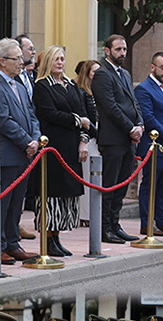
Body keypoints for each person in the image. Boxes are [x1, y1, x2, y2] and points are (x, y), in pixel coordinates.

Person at [0, 39, 40, 264]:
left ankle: (13, 243)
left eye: (21, 57)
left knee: (17, 202)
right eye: (16, 58)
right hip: (7, 153)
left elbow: (32, 114)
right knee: (3, 203)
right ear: (2, 61)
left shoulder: (19, 84)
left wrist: (35, 139)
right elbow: (3, 120)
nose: (21, 62)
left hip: (25, 153)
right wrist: (26, 141)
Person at [33, 46, 88, 257]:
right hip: (53, 146)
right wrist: (77, 121)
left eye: (62, 58)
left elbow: (84, 115)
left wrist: (83, 140)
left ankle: (57, 237)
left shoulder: (71, 84)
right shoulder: (42, 86)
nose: (60, 62)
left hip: (72, 147)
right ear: (48, 61)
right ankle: (48, 238)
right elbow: (49, 114)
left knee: (66, 194)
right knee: (51, 194)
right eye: (56, 59)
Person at [91, 34, 143, 243]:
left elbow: (133, 102)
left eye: (124, 49)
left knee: (121, 185)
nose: (122, 53)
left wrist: (139, 124)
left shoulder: (125, 74)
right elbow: (110, 107)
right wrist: (130, 128)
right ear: (107, 51)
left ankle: (115, 224)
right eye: (118, 49)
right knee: (110, 186)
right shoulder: (103, 75)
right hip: (113, 139)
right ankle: (104, 228)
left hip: (128, 140)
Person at [135, 54, 163, 236]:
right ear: (152, 68)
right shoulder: (144, 89)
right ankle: (146, 222)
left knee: (162, 186)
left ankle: (160, 221)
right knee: (150, 184)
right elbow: (149, 118)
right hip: (153, 145)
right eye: (162, 67)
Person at [75, 59, 100, 226]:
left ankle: (94, 213)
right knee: (87, 177)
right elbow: (86, 119)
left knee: (97, 178)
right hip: (89, 139)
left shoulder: (97, 92)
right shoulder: (82, 92)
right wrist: (98, 134)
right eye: (94, 72)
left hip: (99, 139)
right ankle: (84, 215)